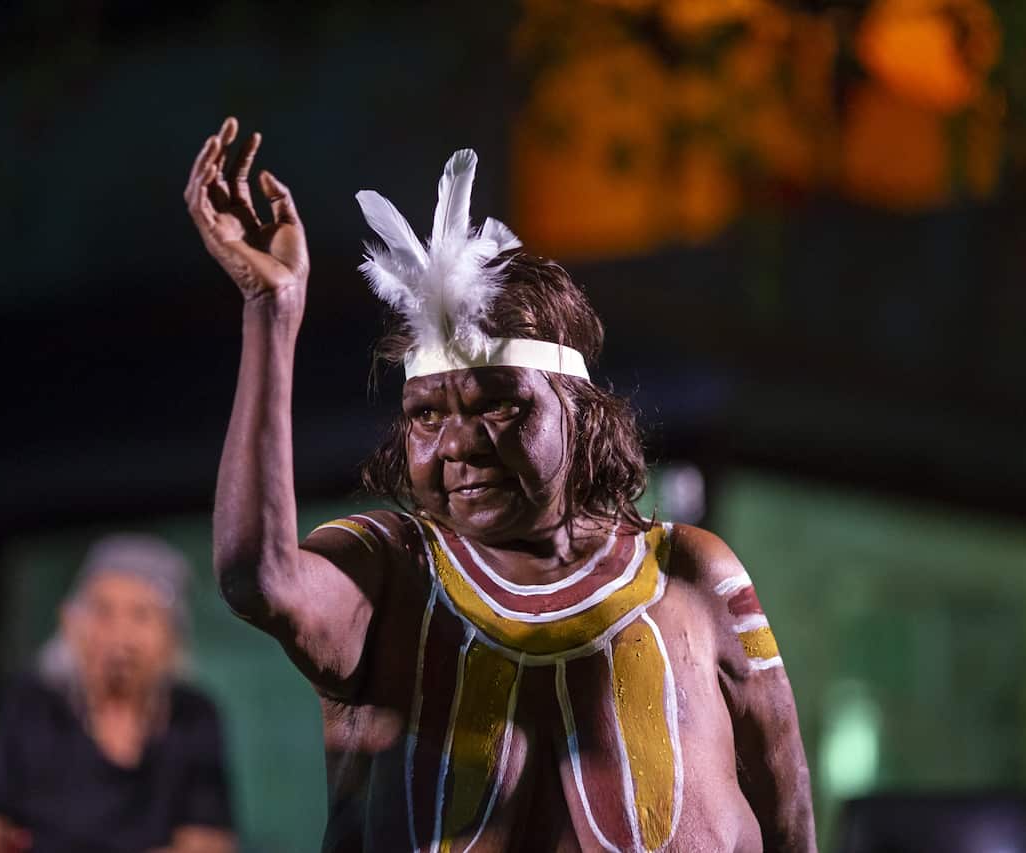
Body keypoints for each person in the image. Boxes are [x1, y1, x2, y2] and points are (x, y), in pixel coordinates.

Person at [187, 116, 815, 852]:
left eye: (499, 404)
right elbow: (258, 577)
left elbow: (788, 812)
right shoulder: (389, 570)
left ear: (580, 416)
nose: (458, 443)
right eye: (426, 415)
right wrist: (273, 311)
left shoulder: (694, 574)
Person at [0, 535, 235, 853]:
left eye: (141, 615)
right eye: (103, 612)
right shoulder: (31, 704)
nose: (120, 636)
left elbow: (208, 844)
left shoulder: (193, 716)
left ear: (171, 636)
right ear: (72, 623)